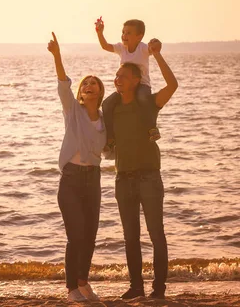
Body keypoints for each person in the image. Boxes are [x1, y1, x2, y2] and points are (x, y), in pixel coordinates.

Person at [110, 40, 178, 300]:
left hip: (149, 176)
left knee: (156, 234)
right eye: (116, 76)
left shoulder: (149, 103)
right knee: (130, 237)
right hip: (122, 178)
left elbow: (173, 86)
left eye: (123, 77)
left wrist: (158, 55)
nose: (117, 79)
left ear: (137, 80)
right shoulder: (112, 107)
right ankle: (136, 286)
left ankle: (158, 289)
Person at [47, 32, 106, 303]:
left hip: (93, 179)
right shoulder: (72, 110)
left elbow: (111, 149)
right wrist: (58, 56)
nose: (89, 85)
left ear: (100, 91)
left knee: (91, 234)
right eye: (86, 84)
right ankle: (71, 287)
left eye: (94, 83)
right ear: (82, 92)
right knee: (76, 234)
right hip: (70, 179)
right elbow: (63, 84)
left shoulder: (105, 120)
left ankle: (84, 282)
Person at [95, 17, 160, 147]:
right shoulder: (121, 48)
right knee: (107, 104)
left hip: (142, 85)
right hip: (124, 87)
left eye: (129, 33)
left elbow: (155, 47)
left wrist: (157, 43)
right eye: (123, 32)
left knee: (143, 99)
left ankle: (152, 128)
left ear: (139, 36)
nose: (124, 35)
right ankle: (110, 137)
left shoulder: (143, 48)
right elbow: (105, 46)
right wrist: (99, 32)